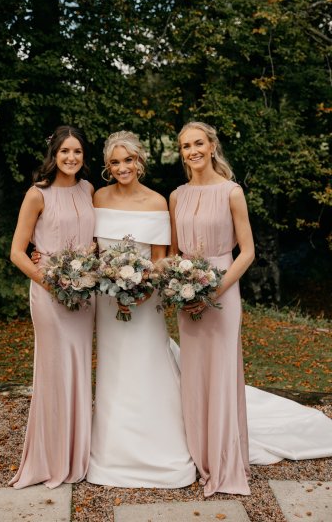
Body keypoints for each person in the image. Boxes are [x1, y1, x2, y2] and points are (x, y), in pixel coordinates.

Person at [86, 130, 196, 488]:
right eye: (115, 162)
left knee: (149, 362)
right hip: (107, 301)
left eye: (128, 160)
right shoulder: (98, 197)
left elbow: (162, 258)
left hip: (147, 301)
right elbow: (93, 251)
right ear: (107, 166)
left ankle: (161, 447)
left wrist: (145, 288)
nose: (122, 167)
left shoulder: (156, 201)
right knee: (115, 369)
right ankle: (113, 452)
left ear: (140, 161)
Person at [169, 121, 254, 497]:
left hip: (222, 289)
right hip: (186, 292)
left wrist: (213, 289)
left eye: (198, 143)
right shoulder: (176, 196)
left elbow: (248, 252)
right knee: (194, 373)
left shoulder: (232, 192)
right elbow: (172, 252)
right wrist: (180, 285)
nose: (193, 151)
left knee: (221, 372)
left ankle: (223, 460)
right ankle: (198, 455)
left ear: (212, 145)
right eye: (186, 145)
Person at [9, 125, 95, 489]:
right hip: (49, 293)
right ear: (54, 156)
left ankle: (78, 454)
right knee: (53, 370)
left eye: (77, 152)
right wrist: (53, 282)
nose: (71, 158)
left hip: (85, 293)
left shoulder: (89, 189)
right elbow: (17, 252)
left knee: (78, 368)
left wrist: (89, 264)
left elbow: (94, 239)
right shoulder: (37, 195)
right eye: (65, 152)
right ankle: (49, 458)